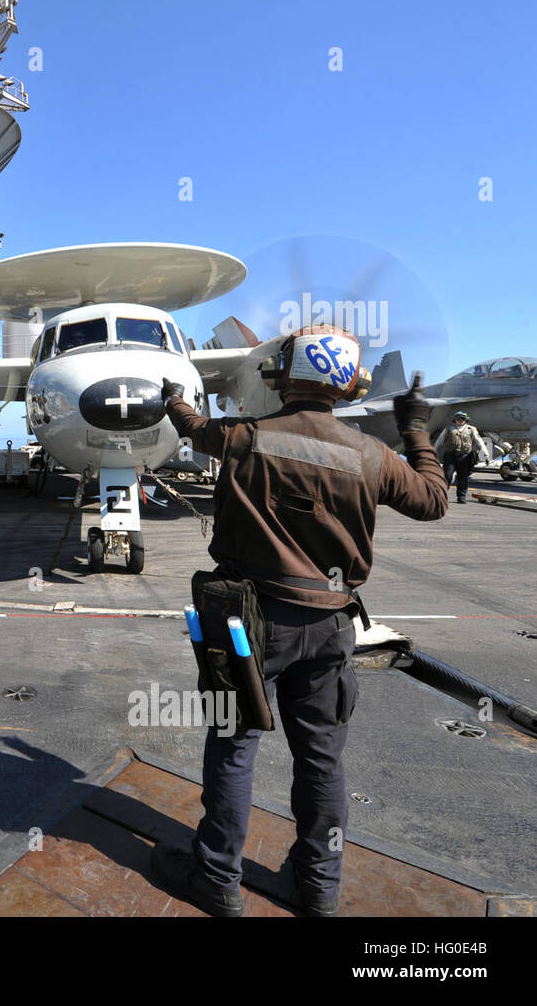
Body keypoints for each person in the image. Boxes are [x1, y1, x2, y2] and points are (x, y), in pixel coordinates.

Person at [150, 326, 447, 917]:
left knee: (234, 746)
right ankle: (317, 891)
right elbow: (433, 500)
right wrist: (415, 428)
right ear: (350, 384)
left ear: (282, 377)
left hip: (248, 627)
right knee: (321, 759)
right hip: (333, 625)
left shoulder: (242, 438)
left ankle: (217, 883)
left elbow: (192, 427)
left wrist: (172, 396)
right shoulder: (372, 456)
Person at [434, 411, 487, 504]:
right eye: (458, 418)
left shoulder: (471, 429)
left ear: (466, 420)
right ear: (454, 419)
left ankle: (461, 497)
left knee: (463, 478)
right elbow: (439, 441)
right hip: (450, 456)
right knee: (447, 475)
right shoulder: (448, 429)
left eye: (462, 418)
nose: (460, 420)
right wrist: (433, 452)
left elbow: (479, 441)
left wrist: (485, 454)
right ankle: (441, 495)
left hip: (464, 457)